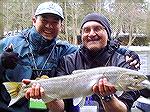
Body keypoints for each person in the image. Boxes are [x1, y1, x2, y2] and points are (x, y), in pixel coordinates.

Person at [24, 12, 142, 112]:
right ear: (82, 35)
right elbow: (59, 109)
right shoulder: (67, 61)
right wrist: (47, 96)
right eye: (86, 30)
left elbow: (124, 109)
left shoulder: (126, 64)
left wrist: (107, 97)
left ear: (108, 33)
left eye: (97, 29)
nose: (91, 34)